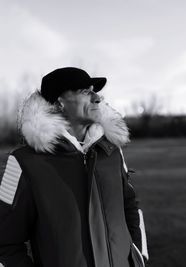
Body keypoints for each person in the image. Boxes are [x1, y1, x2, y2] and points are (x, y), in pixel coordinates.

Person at [0, 67, 149, 267]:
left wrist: (138, 256)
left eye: (95, 91)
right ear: (60, 102)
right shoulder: (24, 162)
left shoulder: (111, 152)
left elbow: (131, 208)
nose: (97, 97)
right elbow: (5, 244)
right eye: (86, 91)